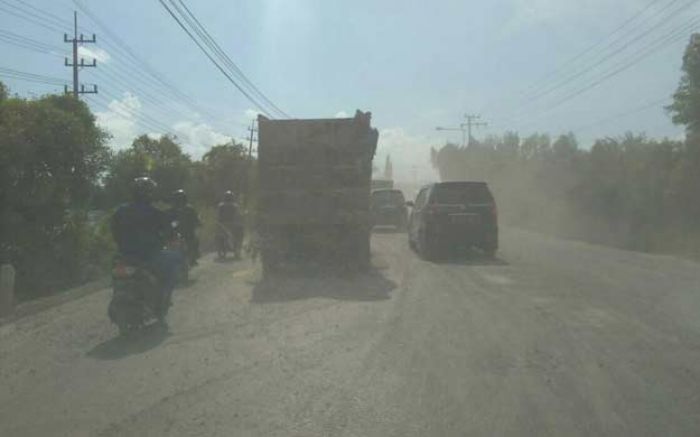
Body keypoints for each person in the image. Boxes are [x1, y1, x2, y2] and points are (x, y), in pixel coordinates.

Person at [110, 177, 180, 316]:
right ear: (149, 193)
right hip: (150, 255)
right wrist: (171, 239)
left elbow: (114, 231)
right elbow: (169, 232)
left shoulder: (120, 211)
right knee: (172, 265)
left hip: (126, 255)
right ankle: (163, 299)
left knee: (115, 274)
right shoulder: (155, 212)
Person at [168, 189, 201, 266]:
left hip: (175, 235)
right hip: (183, 235)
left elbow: (168, 224)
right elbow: (196, 221)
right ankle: (193, 258)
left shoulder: (170, 210)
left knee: (195, 241)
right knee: (195, 241)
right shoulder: (190, 209)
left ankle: (193, 258)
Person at [217, 191, 243, 259]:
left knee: (219, 234)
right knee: (240, 234)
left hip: (222, 225)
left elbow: (218, 216)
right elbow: (238, 216)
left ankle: (222, 249)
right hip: (233, 225)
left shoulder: (220, 205)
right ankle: (237, 248)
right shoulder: (235, 206)